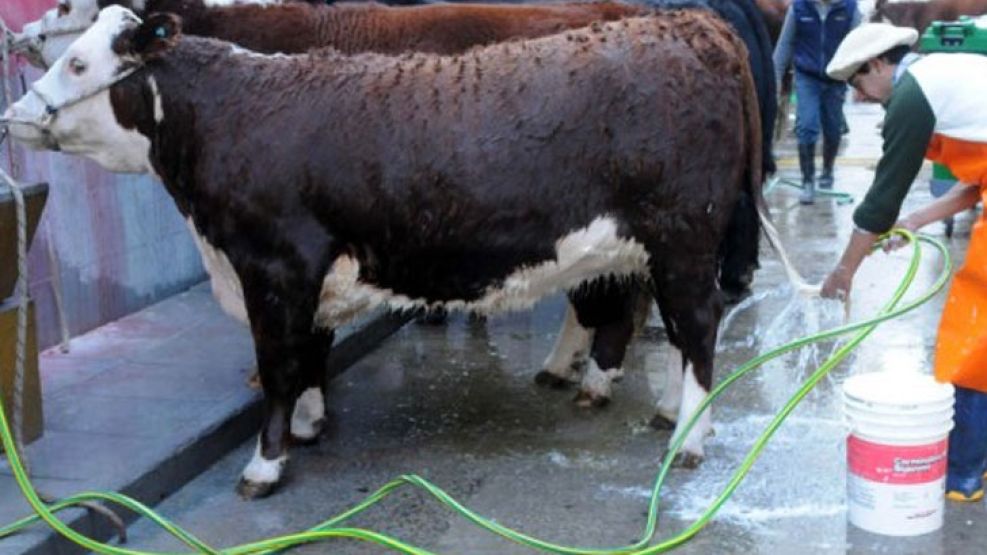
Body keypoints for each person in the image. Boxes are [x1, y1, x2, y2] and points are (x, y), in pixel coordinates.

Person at [822, 22, 987, 502]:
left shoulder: (912, 97)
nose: (864, 97)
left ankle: (962, 474)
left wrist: (844, 271)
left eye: (859, 84)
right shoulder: (938, 78)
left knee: (971, 336)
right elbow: (976, 183)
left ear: (877, 64)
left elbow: (880, 201)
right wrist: (916, 221)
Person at [773, 0, 862, 204]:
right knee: (806, 125)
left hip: (836, 78)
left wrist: (859, 80)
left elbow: (859, 45)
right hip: (807, 77)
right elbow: (785, 45)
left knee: (833, 129)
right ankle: (807, 181)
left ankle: (827, 170)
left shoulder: (849, 8)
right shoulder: (799, 8)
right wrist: (775, 79)